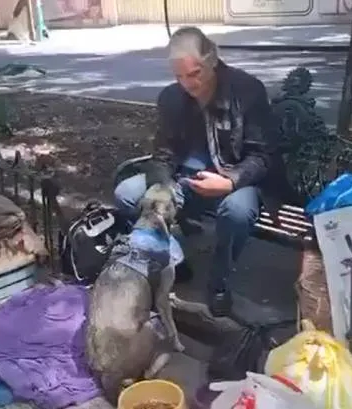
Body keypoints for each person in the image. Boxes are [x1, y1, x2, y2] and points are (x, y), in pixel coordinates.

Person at [113, 26, 276, 317]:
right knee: (127, 195)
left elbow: (263, 156)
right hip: (185, 179)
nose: (188, 84)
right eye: (179, 76)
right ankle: (174, 259)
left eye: (195, 73)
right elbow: (162, 154)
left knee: (237, 213)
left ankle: (218, 283)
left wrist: (229, 181)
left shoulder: (247, 90)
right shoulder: (171, 98)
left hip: (235, 179)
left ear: (212, 59)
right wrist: (161, 186)